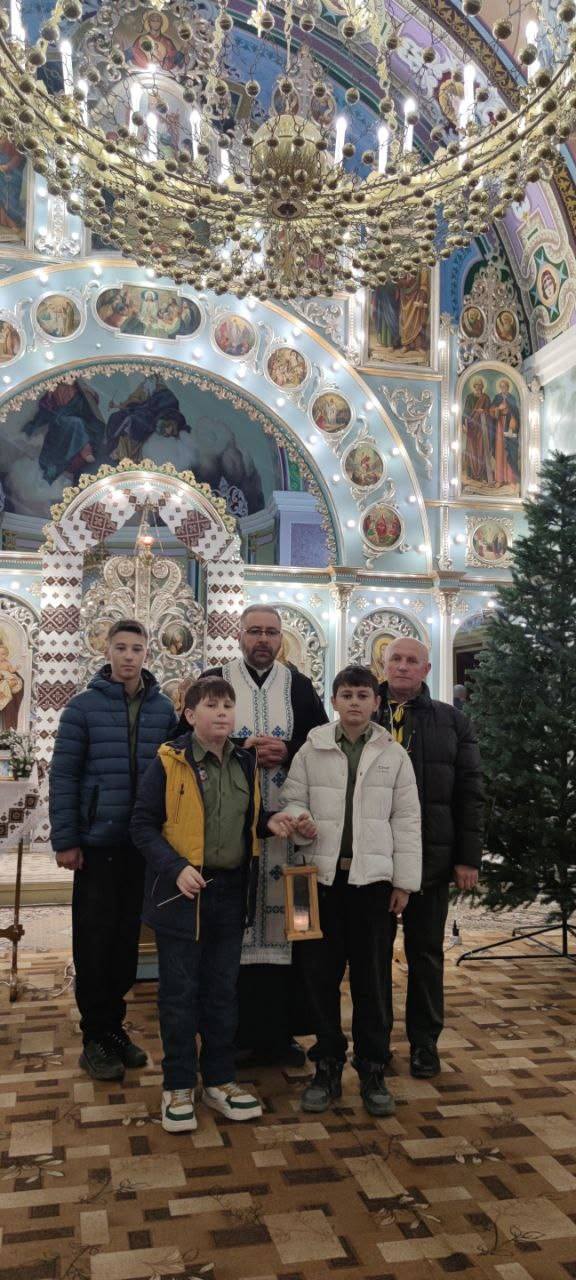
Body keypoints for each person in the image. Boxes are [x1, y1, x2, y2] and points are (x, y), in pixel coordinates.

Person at [130, 676, 296, 1132]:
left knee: (222, 993)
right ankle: (178, 1085)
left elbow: (243, 820)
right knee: (179, 995)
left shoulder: (244, 762)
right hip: (183, 892)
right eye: (211, 705)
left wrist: (269, 822)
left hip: (230, 892)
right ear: (189, 715)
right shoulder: (169, 761)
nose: (222, 712)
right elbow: (142, 825)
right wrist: (175, 867)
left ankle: (220, 1080)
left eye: (227, 705)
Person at [279, 665, 421, 1115]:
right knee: (318, 977)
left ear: (376, 702)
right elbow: (292, 798)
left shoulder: (393, 755)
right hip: (317, 881)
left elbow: (407, 820)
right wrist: (299, 819)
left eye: (363, 695)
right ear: (334, 701)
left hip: (372, 885)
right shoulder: (312, 748)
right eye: (347, 695)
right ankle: (326, 1065)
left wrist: (404, 882)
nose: (355, 702)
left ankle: (373, 1067)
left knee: (372, 981)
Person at [193, 605, 329, 1065]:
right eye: (255, 631)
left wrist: (287, 749)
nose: (263, 640)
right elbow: (187, 741)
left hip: (292, 837)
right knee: (232, 935)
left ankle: (281, 1035)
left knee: (295, 930)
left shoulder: (300, 686)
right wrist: (239, 749)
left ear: (280, 637)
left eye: (271, 632)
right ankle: (229, 1036)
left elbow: (321, 744)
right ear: (240, 635)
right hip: (231, 837)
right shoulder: (215, 681)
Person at [49, 619, 178, 1081]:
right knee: (94, 941)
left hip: (140, 845)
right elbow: (64, 775)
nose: (128, 656)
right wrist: (66, 839)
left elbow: (173, 770)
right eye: (121, 647)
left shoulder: (163, 709)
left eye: (136, 648)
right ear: (107, 651)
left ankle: (114, 1028)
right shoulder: (82, 707)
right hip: (97, 842)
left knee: (126, 942)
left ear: (147, 654)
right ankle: (94, 1037)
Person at [377, 638, 484, 1078]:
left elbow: (470, 793)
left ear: (426, 669)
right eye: (395, 660)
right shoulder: (363, 713)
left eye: (411, 661)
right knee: (373, 956)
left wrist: (467, 858)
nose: (402, 667)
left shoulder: (453, 721)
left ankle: (425, 1044)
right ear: (384, 665)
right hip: (374, 858)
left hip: (431, 856)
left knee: (425, 954)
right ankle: (375, 1044)